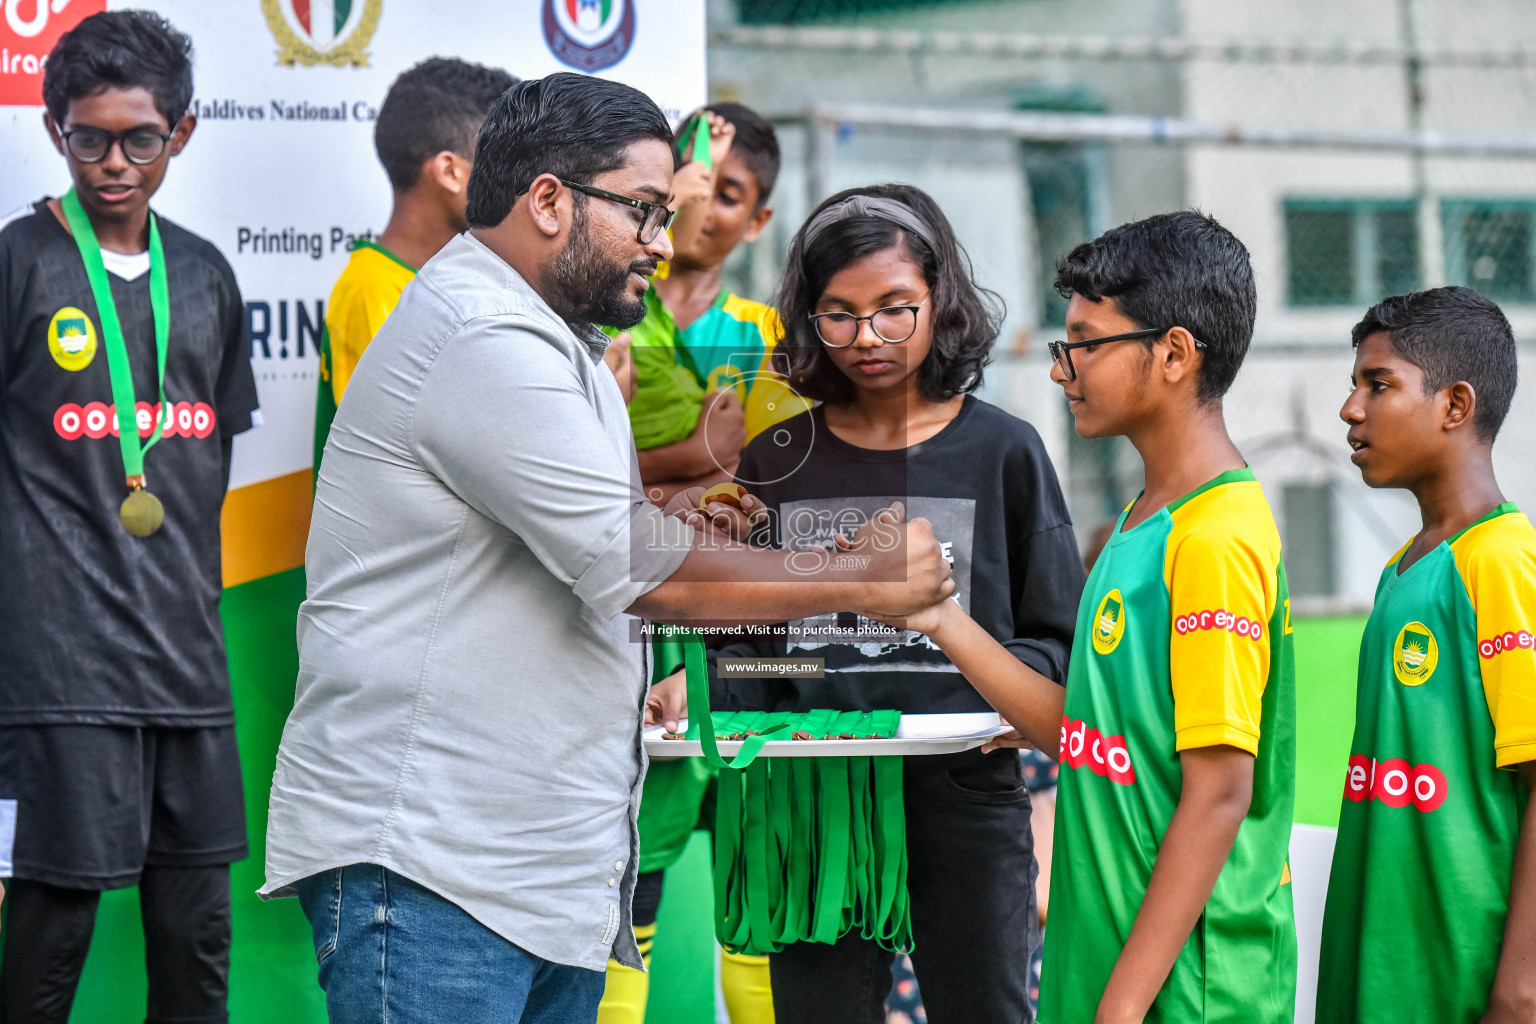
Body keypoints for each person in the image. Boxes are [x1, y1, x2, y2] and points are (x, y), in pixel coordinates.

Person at [259, 72, 954, 1024]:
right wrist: (863, 577)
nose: (663, 244)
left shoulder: (551, 341)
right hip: (434, 875)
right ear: (548, 200)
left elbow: (599, 540)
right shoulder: (482, 335)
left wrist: (681, 523)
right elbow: (638, 571)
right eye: (644, 212)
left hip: (526, 875)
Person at [894, 211, 1297, 1023]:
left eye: (1085, 342)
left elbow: (1218, 795)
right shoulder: (1140, 522)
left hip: (1186, 993)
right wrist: (941, 616)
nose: (1061, 370)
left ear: (1175, 354)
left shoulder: (1214, 537)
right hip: (1107, 970)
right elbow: (1082, 734)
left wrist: (1119, 1010)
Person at [710, 183, 1086, 1024]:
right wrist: (710, 685)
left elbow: (1055, 641)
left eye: (893, 309)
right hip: (812, 799)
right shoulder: (778, 459)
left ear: (941, 298)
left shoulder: (1004, 451)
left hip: (968, 793)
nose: (865, 338)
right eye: (836, 314)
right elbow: (741, 644)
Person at [0, 10, 260, 1022]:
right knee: (48, 943)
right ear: (54, 127)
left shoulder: (207, 276)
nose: (114, 162)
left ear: (181, 134)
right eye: (88, 137)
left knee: (196, 949)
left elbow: (212, 467)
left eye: (139, 138)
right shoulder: (19, 262)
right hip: (59, 679)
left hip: (187, 674)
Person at [598, 102, 800, 1024]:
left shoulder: (768, 337)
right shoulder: (604, 311)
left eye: (731, 195)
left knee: (759, 911)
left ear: (757, 221)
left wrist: (677, 483)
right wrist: (699, 465)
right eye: (689, 182)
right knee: (623, 899)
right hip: (631, 639)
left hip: (744, 646)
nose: (703, 208)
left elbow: (771, 495)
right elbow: (571, 481)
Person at [1318, 287, 1536, 1024]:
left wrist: (1519, 991)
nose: (1351, 409)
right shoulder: (1403, 569)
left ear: (1455, 405)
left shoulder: (1503, 562)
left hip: (1463, 985)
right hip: (1378, 976)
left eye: (1378, 385)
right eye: (1355, 386)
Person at [313, 57, 517, 472]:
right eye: (508, 163)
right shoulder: (375, 287)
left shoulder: (461, 281)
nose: (525, 183)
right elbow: (428, 451)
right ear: (449, 172)